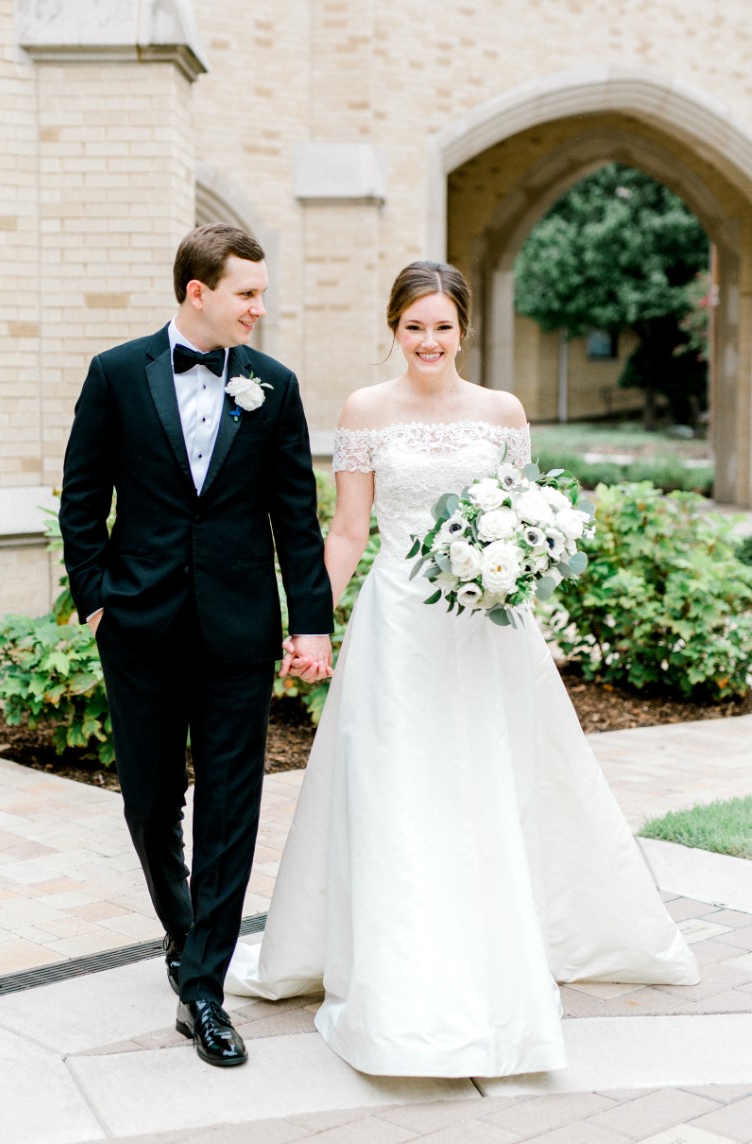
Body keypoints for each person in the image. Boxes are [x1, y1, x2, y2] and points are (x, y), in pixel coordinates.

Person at [226, 260, 699, 1078]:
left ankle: (497, 940)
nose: (429, 341)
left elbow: (523, 518)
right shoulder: (365, 410)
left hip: (486, 632)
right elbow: (345, 530)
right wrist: (310, 622)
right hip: (399, 627)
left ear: (464, 329)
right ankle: (399, 962)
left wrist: (524, 579)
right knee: (398, 784)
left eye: (442, 326)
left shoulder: (501, 413)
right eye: (414, 327)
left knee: (489, 778)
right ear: (394, 329)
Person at [59, 223, 333, 1068]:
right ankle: (184, 934)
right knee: (149, 802)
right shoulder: (115, 373)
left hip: (238, 629)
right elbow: (81, 495)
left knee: (229, 803)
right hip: (137, 625)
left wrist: (311, 621)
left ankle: (205, 987)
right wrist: (97, 602)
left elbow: (296, 515)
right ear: (197, 292)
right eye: (246, 293)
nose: (259, 307)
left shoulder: (273, 386)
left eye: (261, 292)